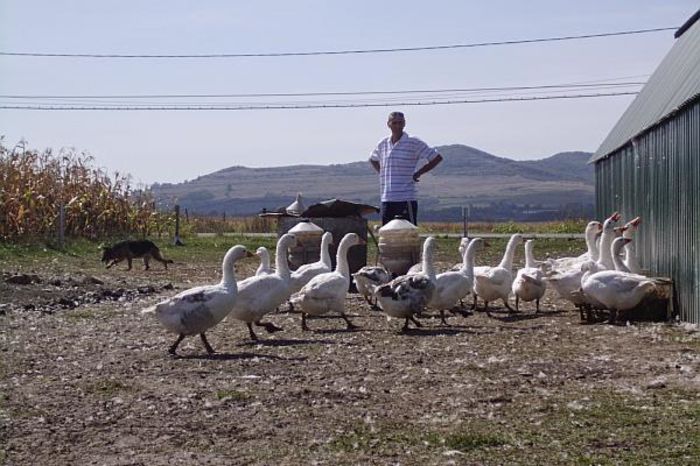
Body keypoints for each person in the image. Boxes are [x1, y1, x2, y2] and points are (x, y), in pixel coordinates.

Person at [369, 111, 443, 225]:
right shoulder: (383, 143)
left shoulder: (413, 142)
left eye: (400, 122)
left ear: (404, 124)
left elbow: (436, 157)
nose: (397, 126)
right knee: (388, 235)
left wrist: (419, 172)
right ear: (388, 124)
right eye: (394, 123)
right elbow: (372, 159)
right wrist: (382, 172)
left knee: (408, 232)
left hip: (405, 197)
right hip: (387, 198)